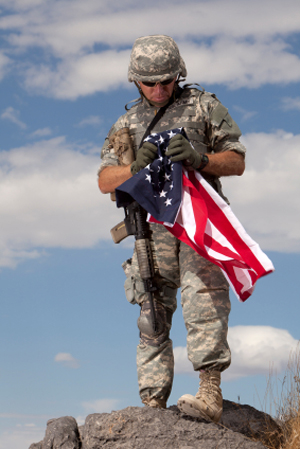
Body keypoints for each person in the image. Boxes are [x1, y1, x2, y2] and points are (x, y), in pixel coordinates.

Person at [98, 35, 246, 422]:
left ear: (179, 74)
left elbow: (236, 160)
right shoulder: (126, 123)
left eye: (167, 80)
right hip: (150, 228)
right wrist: (132, 169)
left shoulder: (202, 106)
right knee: (151, 310)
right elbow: (104, 180)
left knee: (205, 298)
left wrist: (201, 159)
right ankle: (152, 407)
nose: (160, 89)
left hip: (199, 220)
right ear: (135, 81)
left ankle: (209, 390)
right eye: (151, 83)